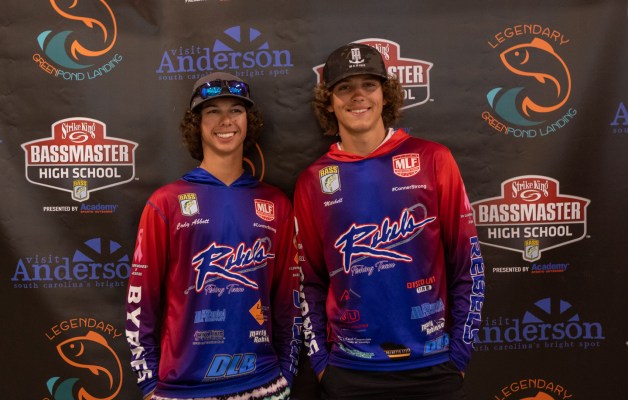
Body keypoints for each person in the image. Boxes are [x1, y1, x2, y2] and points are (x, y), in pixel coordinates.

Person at [294, 43, 485, 399]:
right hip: (351, 372)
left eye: (369, 85)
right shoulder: (313, 181)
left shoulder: (432, 159)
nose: (358, 96)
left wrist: (459, 355)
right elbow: (308, 281)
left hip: (433, 368)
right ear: (329, 101)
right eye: (345, 87)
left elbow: (467, 265)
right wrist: (321, 364)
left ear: (386, 94)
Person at [126, 72, 301, 400]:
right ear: (197, 124)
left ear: (248, 121)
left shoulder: (276, 203)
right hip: (183, 388)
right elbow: (141, 300)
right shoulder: (166, 202)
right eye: (212, 111)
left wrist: (287, 374)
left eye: (236, 110)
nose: (226, 120)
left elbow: (288, 301)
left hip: (263, 383)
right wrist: (149, 384)